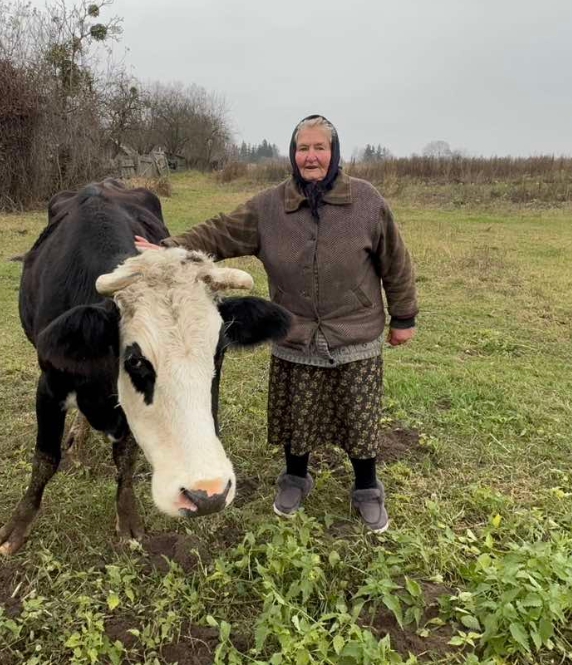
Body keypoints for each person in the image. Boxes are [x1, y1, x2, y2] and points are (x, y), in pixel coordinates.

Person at [134, 115, 417, 532]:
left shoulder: (367, 203)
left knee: (359, 416)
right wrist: (169, 248)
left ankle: (367, 488)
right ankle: (295, 479)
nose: (311, 156)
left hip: (354, 331)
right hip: (296, 331)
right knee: (296, 416)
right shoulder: (270, 207)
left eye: (320, 148)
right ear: (293, 154)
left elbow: (396, 262)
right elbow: (222, 232)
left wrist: (404, 317)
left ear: (334, 154)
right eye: (303, 148)